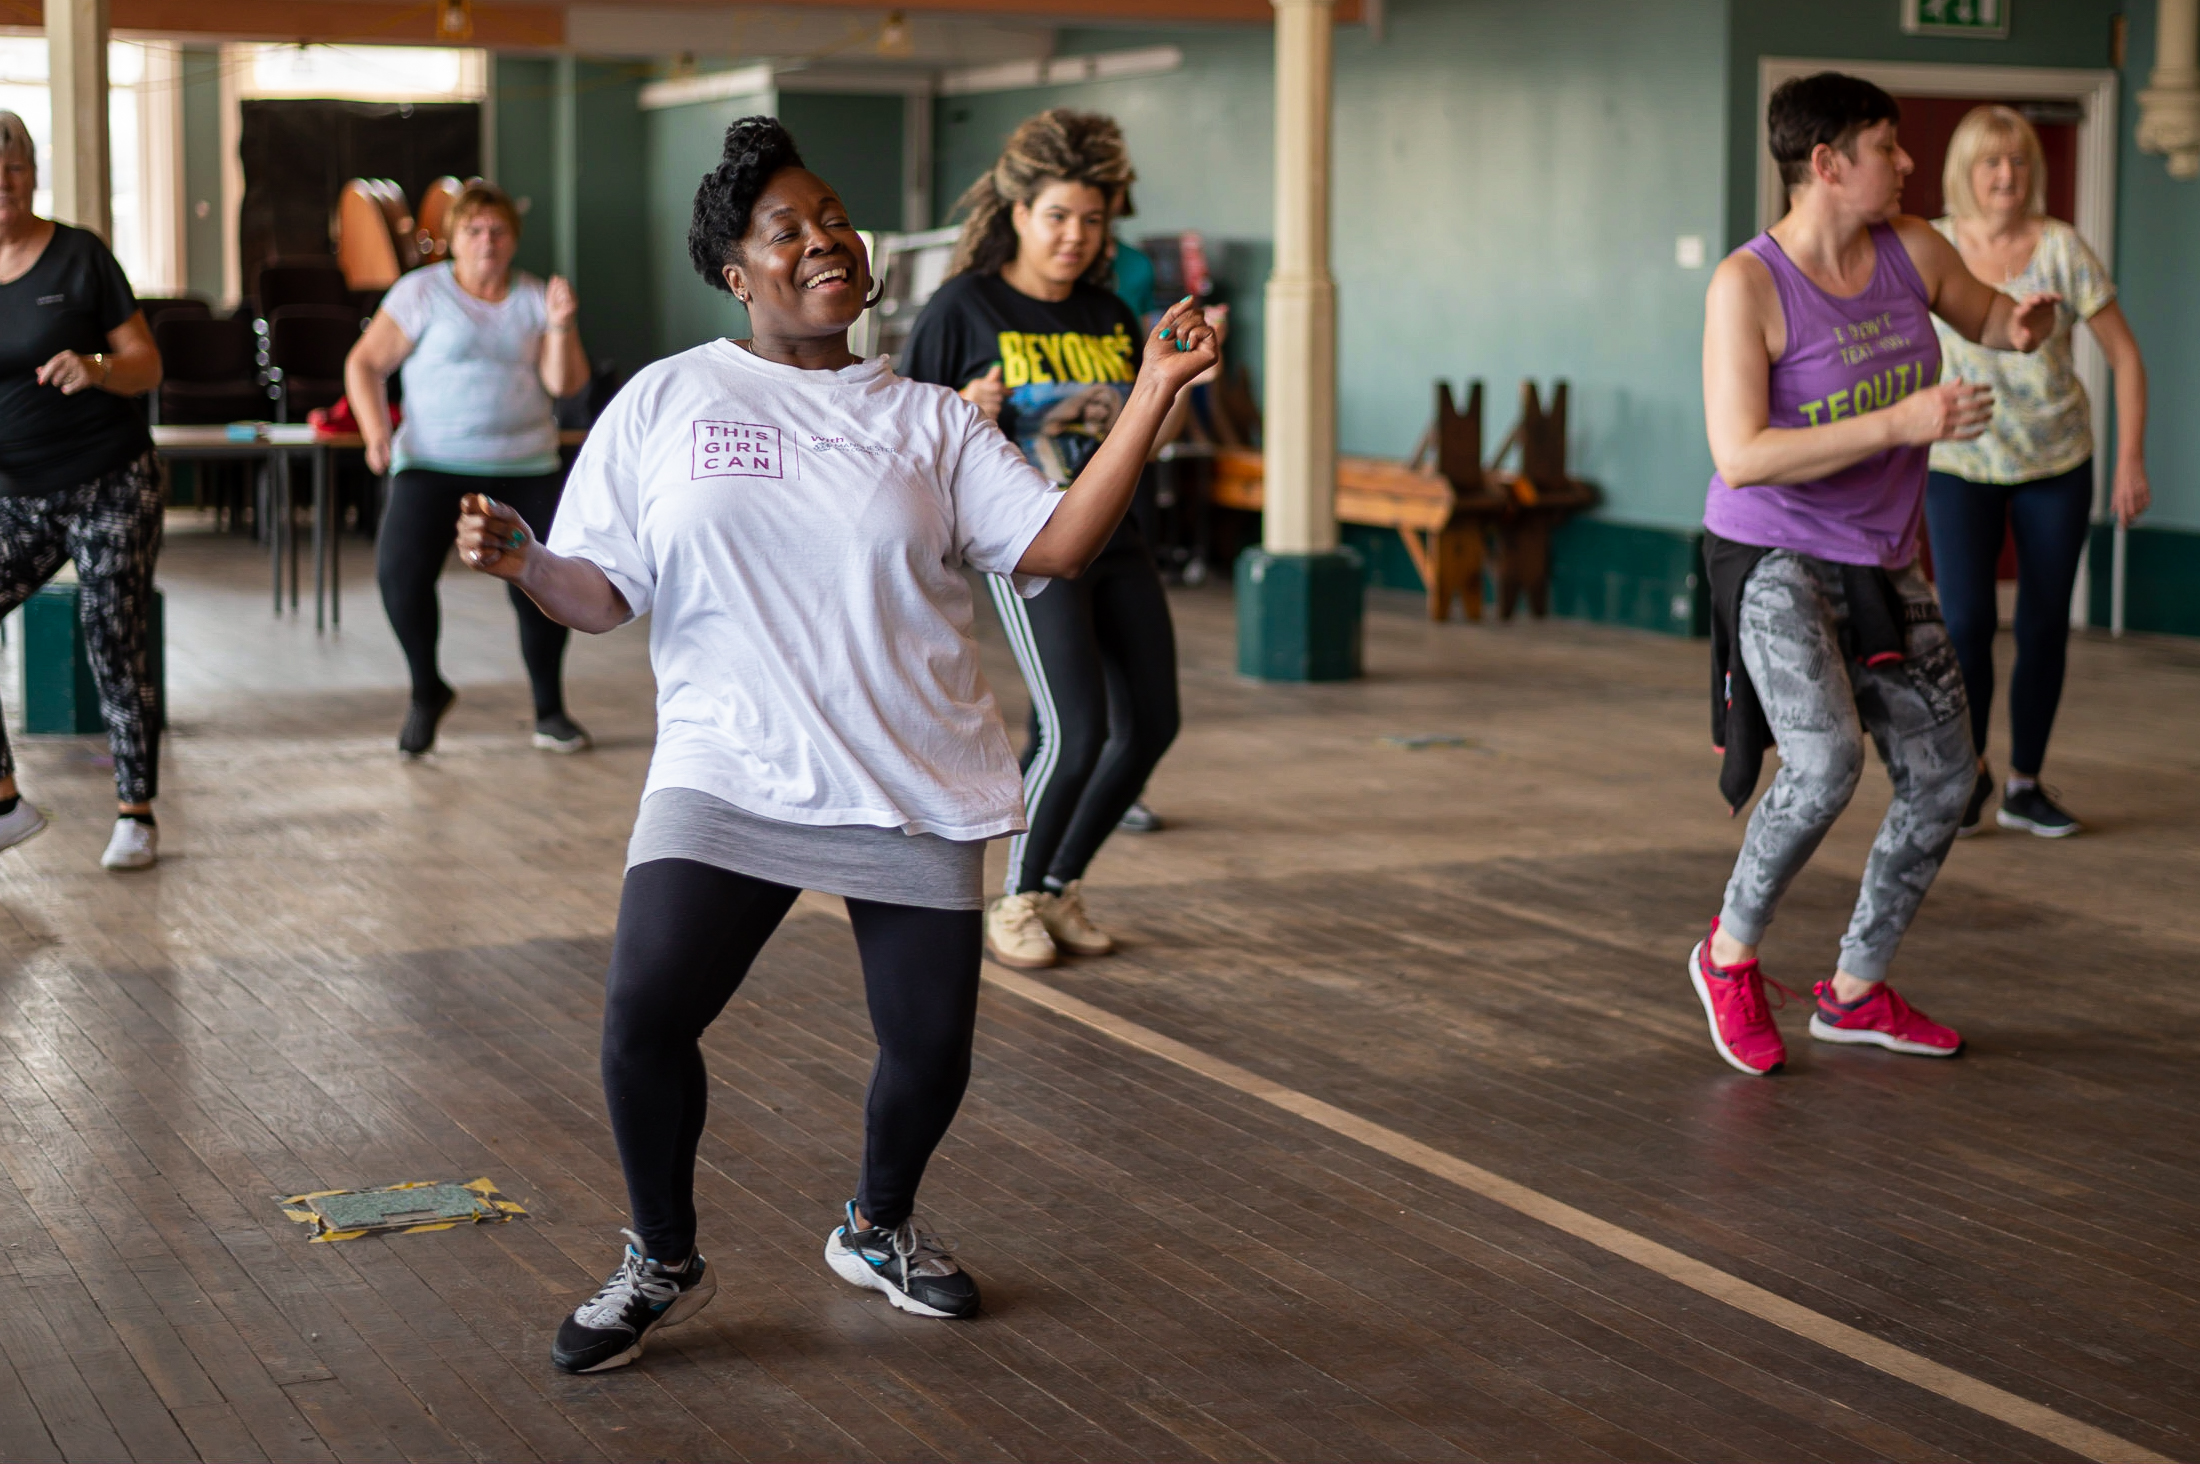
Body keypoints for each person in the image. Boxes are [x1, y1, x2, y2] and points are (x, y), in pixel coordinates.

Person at [452, 116, 1214, 1372]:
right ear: (735, 273)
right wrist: (529, 561)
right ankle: (661, 1257)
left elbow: (1059, 545)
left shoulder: (931, 421)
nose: (823, 241)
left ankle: (877, 1224)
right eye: (786, 230)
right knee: (643, 1019)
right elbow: (602, 593)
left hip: (908, 772)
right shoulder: (669, 399)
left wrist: (1151, 395)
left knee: (929, 1050)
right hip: (727, 765)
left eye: (835, 220)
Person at [1692, 73, 2058, 1077]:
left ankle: (1854, 992)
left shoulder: (1913, 250)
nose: (1906, 163)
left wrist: (2025, 325)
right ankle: (1728, 955)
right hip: (1772, 550)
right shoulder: (1748, 285)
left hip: (1880, 558)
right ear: (1825, 164)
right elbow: (1742, 454)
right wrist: (1900, 422)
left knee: (1946, 778)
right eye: (1887, 147)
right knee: (1824, 763)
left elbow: (1990, 318)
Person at [900, 108, 1182, 971]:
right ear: (1018, 212)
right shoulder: (964, 306)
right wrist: (963, 411)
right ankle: (1016, 898)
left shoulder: (1109, 312)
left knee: (1152, 725)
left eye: (1092, 220)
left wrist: (1170, 384)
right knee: (1075, 727)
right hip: (1030, 545)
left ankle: (1058, 885)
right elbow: (902, 435)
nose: (1074, 236)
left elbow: (1146, 432)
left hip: (1119, 537)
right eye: (1057, 216)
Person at [1925, 105, 2150, 839]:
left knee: (2044, 624)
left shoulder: (2062, 248)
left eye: (2019, 160)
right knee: (1965, 623)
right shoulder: (1931, 247)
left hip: (2056, 462)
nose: (2006, 175)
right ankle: (1968, 774)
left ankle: (2023, 784)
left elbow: (2125, 357)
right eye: (1991, 161)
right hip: (1959, 463)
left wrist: (2130, 459)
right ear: (1965, 171)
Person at [344, 181, 593, 758]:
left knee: (542, 583)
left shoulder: (535, 297)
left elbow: (565, 384)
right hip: (431, 462)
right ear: (453, 239)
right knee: (400, 577)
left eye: (497, 231)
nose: (487, 241)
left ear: (513, 240)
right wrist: (376, 433)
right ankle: (426, 690)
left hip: (524, 464)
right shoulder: (421, 292)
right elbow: (365, 364)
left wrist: (561, 324)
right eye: (474, 230)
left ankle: (550, 710)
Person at [0, 111, 167, 872]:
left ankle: (136, 812)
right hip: (20, 492)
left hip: (111, 479)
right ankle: (5, 801)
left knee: (111, 631)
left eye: (14, 169)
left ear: (34, 175)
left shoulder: (80, 256)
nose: (3, 185)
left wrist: (97, 366)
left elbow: (147, 364)